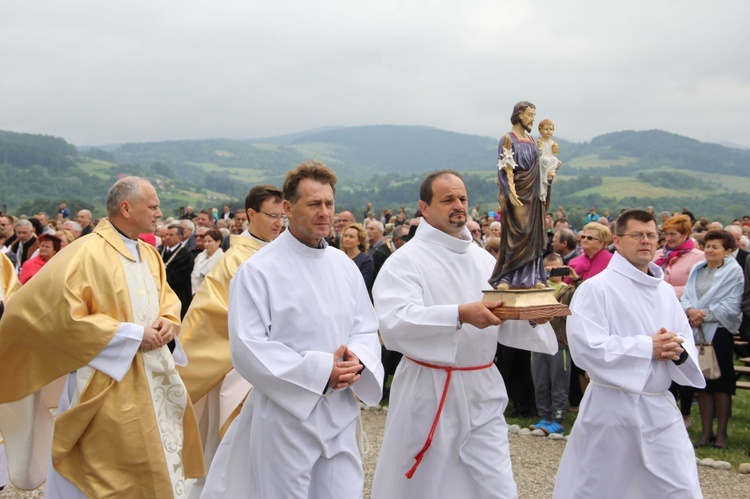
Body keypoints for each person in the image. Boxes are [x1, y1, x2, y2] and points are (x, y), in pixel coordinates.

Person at [0, 176, 204, 497]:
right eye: (152, 206)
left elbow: (165, 297)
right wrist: (134, 335)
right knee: (106, 467)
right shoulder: (86, 253)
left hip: (154, 373)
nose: (158, 213)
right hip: (104, 376)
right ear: (126, 207)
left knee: (158, 458)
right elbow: (64, 317)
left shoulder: (149, 253)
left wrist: (167, 320)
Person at [201, 161, 382, 498]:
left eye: (328, 203)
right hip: (286, 416)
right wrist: (321, 370)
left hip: (340, 410)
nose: (324, 213)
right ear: (287, 207)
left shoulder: (344, 265)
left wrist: (357, 360)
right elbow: (248, 346)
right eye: (314, 204)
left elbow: (366, 326)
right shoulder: (259, 270)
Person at [371, 170, 556, 499]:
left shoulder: (485, 260)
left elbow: (503, 315)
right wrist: (458, 314)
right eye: (448, 199)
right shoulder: (404, 262)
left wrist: (530, 315)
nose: (458, 205)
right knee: (425, 484)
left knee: (496, 485)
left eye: (462, 199)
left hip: (481, 386)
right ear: (424, 208)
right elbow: (394, 323)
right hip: (429, 388)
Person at [553, 210, 705, 498]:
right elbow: (586, 348)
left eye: (651, 235)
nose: (646, 241)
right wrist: (648, 347)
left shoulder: (663, 291)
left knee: (680, 486)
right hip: (611, 407)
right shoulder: (596, 288)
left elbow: (681, 337)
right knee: (600, 486)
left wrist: (678, 351)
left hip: (658, 406)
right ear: (618, 242)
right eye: (637, 235)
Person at [177, 184, 285, 498]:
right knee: (231, 454)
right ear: (251, 214)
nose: (279, 223)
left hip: (278, 360)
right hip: (238, 367)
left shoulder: (278, 252)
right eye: (272, 216)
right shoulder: (237, 259)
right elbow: (210, 314)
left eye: (283, 217)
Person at [681, 230, 743, 449]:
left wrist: (702, 314)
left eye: (715, 247)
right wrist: (690, 310)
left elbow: (732, 304)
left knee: (721, 383)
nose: (709, 250)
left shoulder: (733, 272)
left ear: (727, 251)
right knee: (705, 382)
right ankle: (706, 433)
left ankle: (722, 434)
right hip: (697, 332)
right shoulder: (698, 269)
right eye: (707, 246)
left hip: (719, 332)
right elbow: (686, 295)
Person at [489, 101, 550, 290]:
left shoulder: (532, 141)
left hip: (534, 192)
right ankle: (507, 276)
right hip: (517, 192)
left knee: (534, 233)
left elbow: (539, 167)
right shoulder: (508, 139)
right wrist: (509, 191)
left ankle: (534, 277)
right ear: (519, 115)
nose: (533, 119)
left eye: (534, 115)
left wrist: (549, 170)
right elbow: (503, 169)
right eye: (529, 115)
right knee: (517, 233)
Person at [529, 253, 574, 435]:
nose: (554, 272)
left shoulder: (570, 290)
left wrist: (576, 278)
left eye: (557, 268)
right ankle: (544, 416)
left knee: (559, 383)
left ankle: (558, 419)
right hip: (538, 343)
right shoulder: (537, 288)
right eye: (549, 269)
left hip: (560, 344)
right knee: (540, 382)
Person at [654, 215, 705, 299]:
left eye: (673, 234)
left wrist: (666, 292)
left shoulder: (699, 258)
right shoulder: (657, 255)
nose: (668, 238)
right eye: (666, 234)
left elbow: (699, 287)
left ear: (685, 235)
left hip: (682, 307)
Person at [340, 223, 375, 296]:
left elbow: (364, 284)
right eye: (345, 236)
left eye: (351, 237)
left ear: (359, 241)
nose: (347, 239)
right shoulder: (339, 257)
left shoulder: (366, 260)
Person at [190, 228, 224, 295]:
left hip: (214, 294)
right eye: (205, 241)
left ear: (218, 242)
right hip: (197, 292)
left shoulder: (223, 258)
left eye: (209, 241)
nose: (206, 244)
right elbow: (194, 275)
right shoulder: (199, 256)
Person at [536, 118, 561, 203]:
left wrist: (555, 148)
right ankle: (544, 178)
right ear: (540, 130)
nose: (549, 131)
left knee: (554, 159)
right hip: (542, 161)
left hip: (549, 161)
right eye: (546, 129)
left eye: (551, 129)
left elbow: (554, 153)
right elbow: (538, 153)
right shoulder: (540, 141)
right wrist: (539, 146)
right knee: (544, 159)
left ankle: (550, 173)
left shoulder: (552, 142)